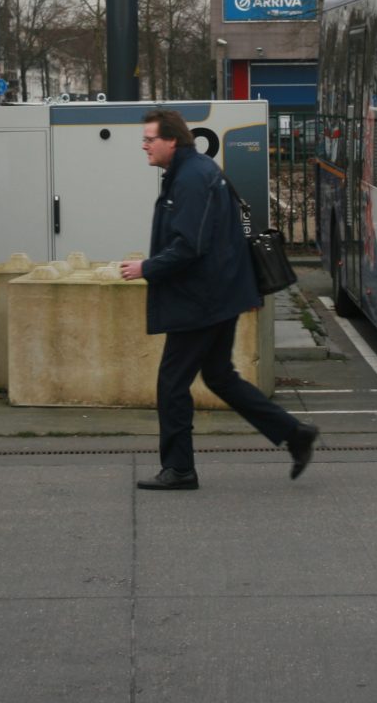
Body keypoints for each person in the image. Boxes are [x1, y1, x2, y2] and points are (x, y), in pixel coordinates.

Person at [119, 108, 318, 490]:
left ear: (171, 140)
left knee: (172, 383)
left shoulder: (192, 178)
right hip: (219, 293)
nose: (144, 145)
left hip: (202, 299)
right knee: (219, 376)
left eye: (149, 139)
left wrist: (147, 267)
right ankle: (295, 434)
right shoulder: (193, 172)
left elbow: (189, 245)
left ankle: (179, 469)